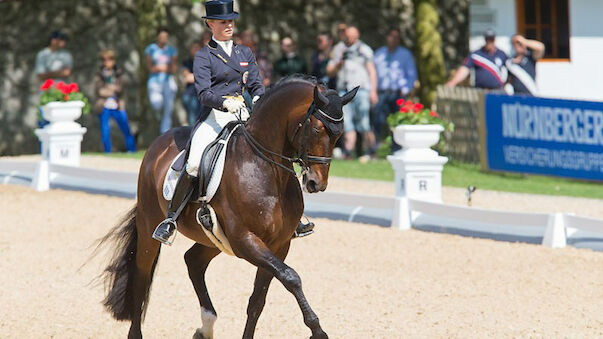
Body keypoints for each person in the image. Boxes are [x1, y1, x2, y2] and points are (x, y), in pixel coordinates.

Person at [152, 0, 315, 245]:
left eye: (230, 21)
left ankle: (294, 216)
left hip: (245, 113)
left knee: (277, 152)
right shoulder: (204, 56)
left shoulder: (244, 53)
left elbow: (256, 84)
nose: (228, 25)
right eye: (222, 22)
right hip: (215, 116)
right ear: (210, 24)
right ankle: (171, 219)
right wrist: (224, 103)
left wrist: (259, 97)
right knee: (195, 161)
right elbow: (203, 93)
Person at [326, 26, 378, 159]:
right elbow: (329, 71)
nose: (349, 38)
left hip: (362, 91)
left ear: (357, 35)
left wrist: (373, 91)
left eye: (352, 36)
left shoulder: (364, 50)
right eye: (347, 36)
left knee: (364, 123)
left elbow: (372, 71)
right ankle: (348, 153)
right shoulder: (338, 49)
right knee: (347, 123)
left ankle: (371, 152)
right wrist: (339, 64)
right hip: (344, 91)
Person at [373, 28, 417, 141]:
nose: (394, 39)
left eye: (397, 37)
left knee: (398, 121)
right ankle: (376, 147)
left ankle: (396, 147)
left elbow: (412, 75)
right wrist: (372, 90)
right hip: (382, 92)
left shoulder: (405, 54)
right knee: (378, 120)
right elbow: (373, 73)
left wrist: (405, 89)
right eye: (392, 36)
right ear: (387, 37)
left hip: (398, 93)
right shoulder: (379, 53)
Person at [93, 49, 137, 153]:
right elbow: (99, 90)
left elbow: (121, 88)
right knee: (105, 130)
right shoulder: (99, 74)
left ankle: (132, 150)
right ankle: (107, 151)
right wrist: (113, 89)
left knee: (126, 128)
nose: (108, 62)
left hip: (117, 104)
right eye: (105, 59)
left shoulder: (118, 73)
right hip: (104, 105)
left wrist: (109, 88)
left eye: (110, 59)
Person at [35, 30, 73, 128]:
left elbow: (67, 73)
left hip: (61, 93)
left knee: (62, 124)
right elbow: (40, 75)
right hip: (45, 94)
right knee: (44, 124)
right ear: (53, 40)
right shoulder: (43, 54)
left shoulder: (66, 55)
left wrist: (50, 73)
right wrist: (59, 73)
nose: (63, 43)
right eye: (61, 40)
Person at [145, 27, 178, 134]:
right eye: (161, 36)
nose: (163, 39)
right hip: (154, 81)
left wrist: (160, 68)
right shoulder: (151, 49)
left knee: (168, 110)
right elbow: (149, 67)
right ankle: (158, 116)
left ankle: (164, 133)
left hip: (168, 81)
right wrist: (161, 68)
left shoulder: (171, 50)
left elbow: (173, 68)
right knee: (157, 104)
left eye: (165, 37)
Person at [181, 41, 205, 126]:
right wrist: (202, 77)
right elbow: (187, 77)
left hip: (203, 95)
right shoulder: (187, 63)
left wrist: (194, 77)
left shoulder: (205, 62)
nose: (195, 50)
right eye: (193, 48)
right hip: (190, 94)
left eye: (197, 48)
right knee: (192, 121)